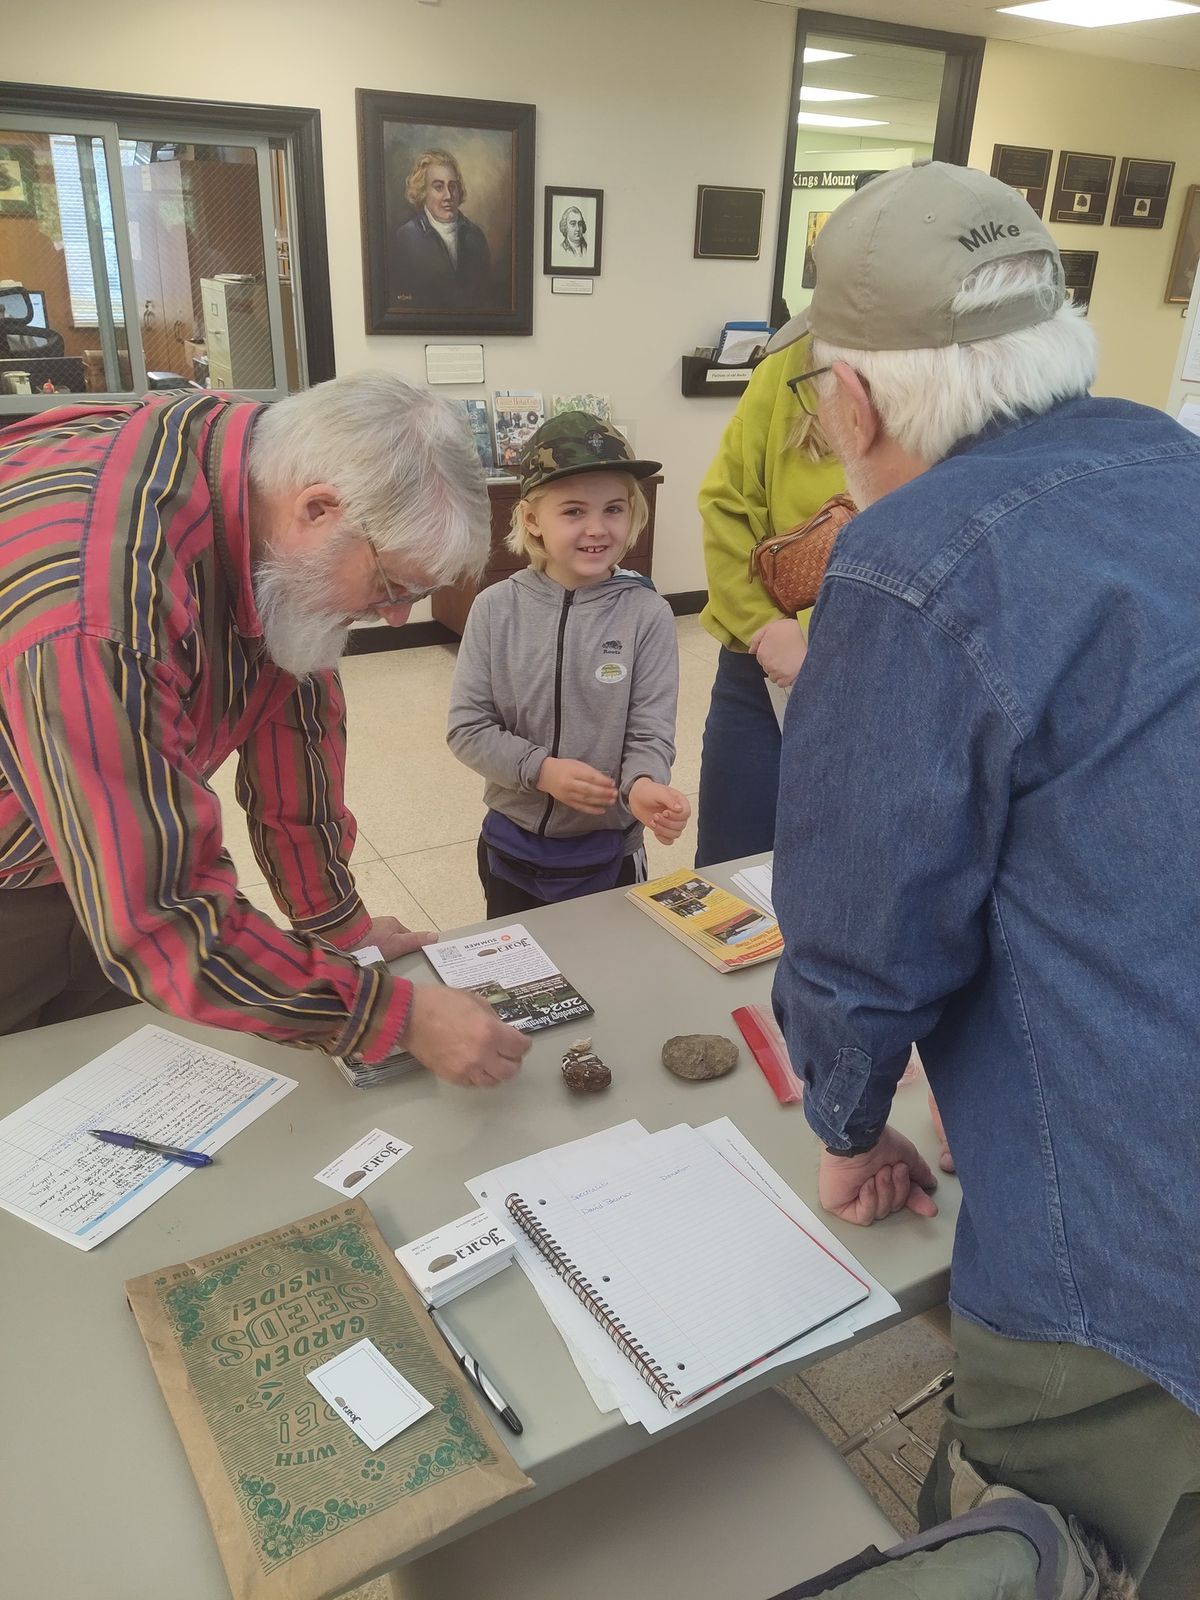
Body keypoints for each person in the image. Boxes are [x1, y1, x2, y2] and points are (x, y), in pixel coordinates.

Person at [767, 159, 1200, 1594]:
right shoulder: (1172, 461)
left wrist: (846, 1118)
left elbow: (857, 932)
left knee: (1071, 1532)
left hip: (1139, 1262)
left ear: (859, 403)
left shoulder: (910, 562)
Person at [0, 372, 529, 1090]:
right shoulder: (101, 610)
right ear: (318, 509)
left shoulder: (261, 479)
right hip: (19, 886)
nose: (398, 617)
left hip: (97, 849)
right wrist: (387, 1015)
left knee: (102, 1090)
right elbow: (159, 919)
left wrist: (339, 930)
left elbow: (293, 753)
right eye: (391, 588)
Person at [448, 412, 689, 917]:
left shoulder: (648, 614)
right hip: (511, 844)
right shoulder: (494, 608)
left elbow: (650, 732)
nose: (597, 529)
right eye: (574, 511)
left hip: (609, 851)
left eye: (614, 509)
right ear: (532, 519)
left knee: (610, 975)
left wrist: (644, 785)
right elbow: (468, 729)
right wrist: (541, 771)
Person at [694, 339, 844, 866]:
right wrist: (766, 625)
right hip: (764, 665)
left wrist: (805, 629)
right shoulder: (788, 361)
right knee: (730, 872)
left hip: (880, 664)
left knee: (848, 871)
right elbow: (725, 506)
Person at [390, 149, 492, 311]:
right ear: (423, 192)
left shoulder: (476, 237)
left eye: (453, 186)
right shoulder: (407, 237)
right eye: (438, 187)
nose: (448, 196)